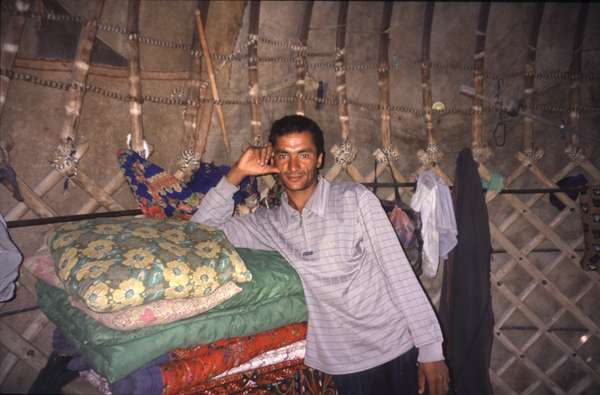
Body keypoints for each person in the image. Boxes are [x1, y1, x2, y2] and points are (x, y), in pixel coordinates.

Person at [192, 115, 449, 395]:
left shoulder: (355, 199)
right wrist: (237, 173)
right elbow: (200, 233)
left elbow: (398, 272)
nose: (293, 167)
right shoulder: (269, 223)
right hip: (344, 361)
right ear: (273, 161)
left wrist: (431, 350)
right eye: (283, 155)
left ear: (319, 159)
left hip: (396, 346)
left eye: (303, 154)